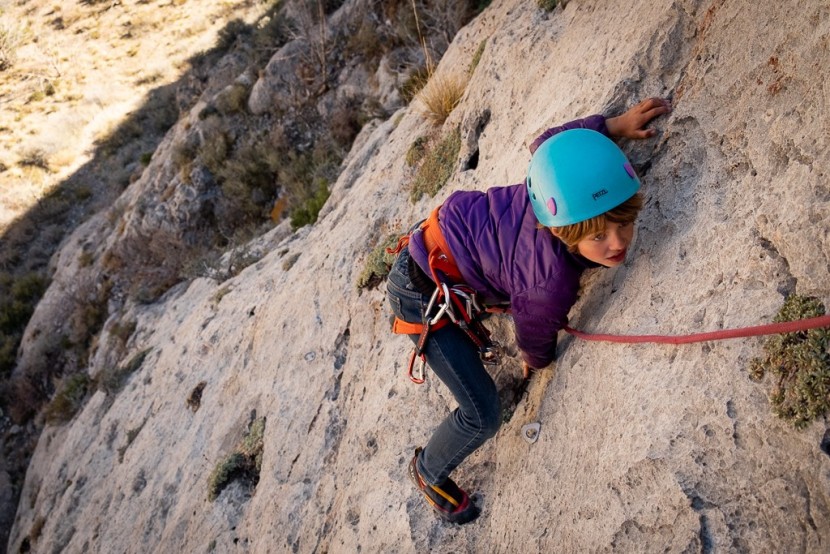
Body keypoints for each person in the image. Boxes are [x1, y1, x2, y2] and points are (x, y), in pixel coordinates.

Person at [386, 98, 672, 523]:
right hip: (420, 294)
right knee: (482, 415)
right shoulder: (548, 282)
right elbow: (535, 330)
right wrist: (535, 359)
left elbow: (549, 144)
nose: (617, 243)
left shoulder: (550, 183)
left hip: (439, 246)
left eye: (623, 223)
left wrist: (612, 127)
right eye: (597, 236)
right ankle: (428, 470)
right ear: (563, 231)